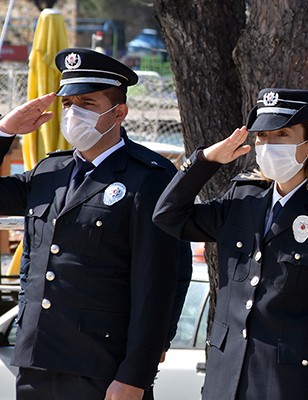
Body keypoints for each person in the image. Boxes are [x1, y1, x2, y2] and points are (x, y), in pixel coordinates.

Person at [0, 48, 190, 399]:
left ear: (119, 112)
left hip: (103, 367)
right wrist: (4, 131)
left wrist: (137, 374)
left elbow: (159, 285)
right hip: (37, 362)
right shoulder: (49, 173)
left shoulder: (149, 178)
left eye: (87, 103)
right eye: (68, 103)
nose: (73, 113)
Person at [153, 88, 308, 400]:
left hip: (287, 384)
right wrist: (205, 160)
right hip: (226, 380)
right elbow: (168, 216)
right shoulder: (243, 199)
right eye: (262, 136)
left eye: (282, 134)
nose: (268, 145)